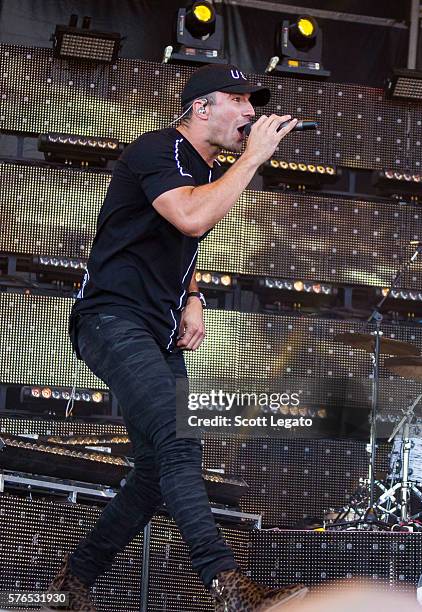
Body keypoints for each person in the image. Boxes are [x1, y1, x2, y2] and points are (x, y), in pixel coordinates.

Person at [47, 63, 304, 611]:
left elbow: (180, 239)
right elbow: (189, 218)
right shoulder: (156, 148)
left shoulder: (205, 168)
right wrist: (254, 158)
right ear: (200, 108)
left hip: (158, 330)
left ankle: (73, 581)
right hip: (111, 320)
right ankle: (228, 586)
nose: (250, 111)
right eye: (237, 99)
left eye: (252, 102)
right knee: (180, 440)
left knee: (153, 473)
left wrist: (192, 297)